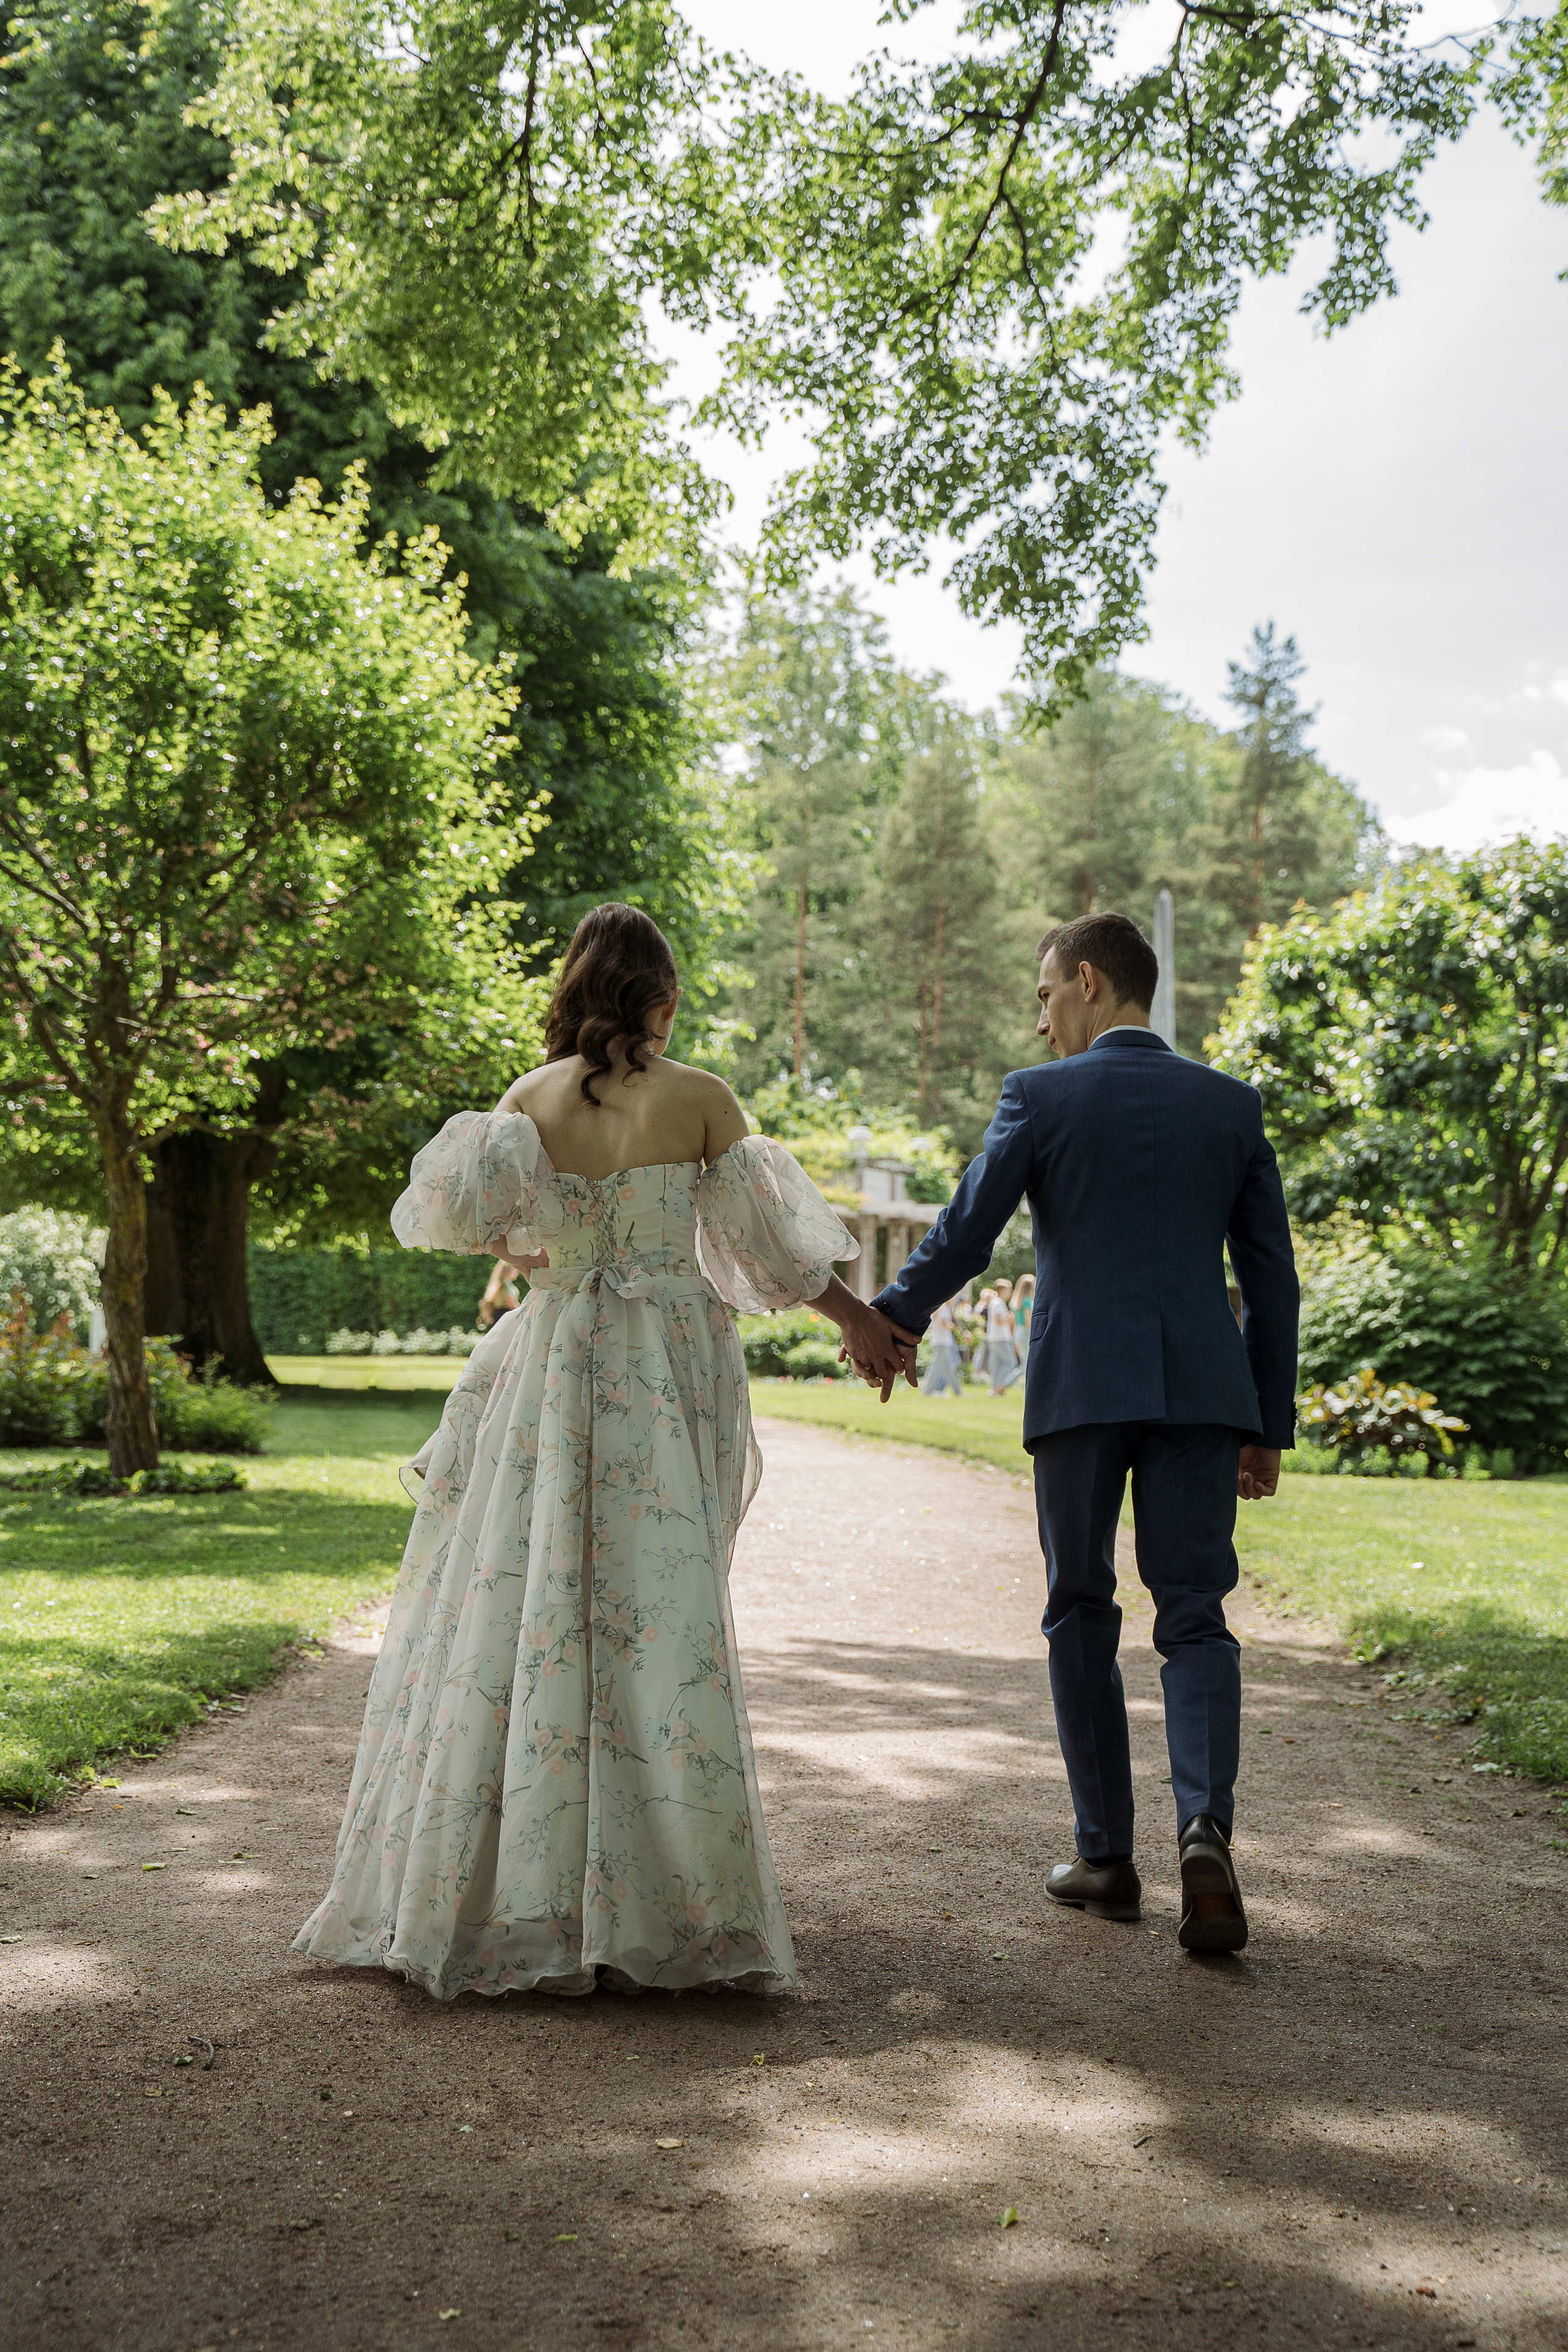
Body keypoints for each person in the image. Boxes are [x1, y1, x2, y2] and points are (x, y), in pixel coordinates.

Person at [293, 903, 894, 2002]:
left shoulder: (526, 1102)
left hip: (554, 1365)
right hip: (662, 1366)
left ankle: (513, 1889)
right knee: (658, 1615)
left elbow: (475, 1226)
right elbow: (773, 1257)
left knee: (531, 1603)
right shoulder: (701, 1100)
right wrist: (861, 1322)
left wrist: (552, 1251)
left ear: (572, 991)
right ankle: (661, 1903)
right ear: (663, 998)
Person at [850, 911, 1298, 1954]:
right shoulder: (1231, 1105)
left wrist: (893, 1319)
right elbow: (1273, 1281)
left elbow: (968, 1229)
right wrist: (1267, 1421)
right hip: (1203, 1395)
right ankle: (1204, 1831)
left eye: (1046, 995)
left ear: (1088, 982)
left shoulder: (1040, 1096)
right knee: (1196, 1616)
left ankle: (1106, 1857)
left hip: (1080, 1388)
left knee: (1081, 1607)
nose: (1041, 1020)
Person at [919, 1295, 965, 1395]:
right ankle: (927, 1391)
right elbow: (942, 1322)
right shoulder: (944, 1307)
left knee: (948, 1368)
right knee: (936, 1367)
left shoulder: (939, 1307)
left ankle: (958, 1391)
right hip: (942, 1341)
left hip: (941, 1340)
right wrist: (950, 1326)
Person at [985, 1277, 1019, 1396]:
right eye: (1008, 1289)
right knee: (1011, 1362)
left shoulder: (995, 1302)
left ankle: (995, 1389)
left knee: (1000, 1364)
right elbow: (999, 1320)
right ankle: (1000, 1386)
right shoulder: (998, 1302)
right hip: (1001, 1337)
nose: (1010, 1292)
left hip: (996, 1337)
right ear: (1001, 1290)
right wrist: (1010, 1319)